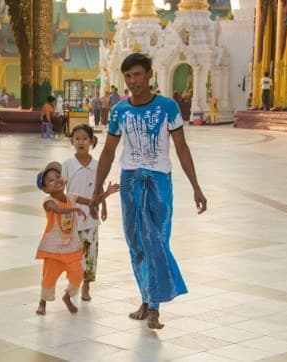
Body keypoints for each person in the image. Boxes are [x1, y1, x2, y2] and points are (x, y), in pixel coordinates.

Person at [89, 53, 207, 329]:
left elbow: (181, 148)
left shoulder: (167, 107)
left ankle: (154, 307)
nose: (133, 81)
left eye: (138, 75)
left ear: (150, 75)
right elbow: (108, 151)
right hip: (130, 182)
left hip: (159, 183)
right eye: (128, 76)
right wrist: (96, 190)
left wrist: (196, 187)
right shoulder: (119, 111)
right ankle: (146, 297)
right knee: (136, 244)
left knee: (157, 241)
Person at [35, 161, 118, 316]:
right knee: (49, 277)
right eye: (51, 180)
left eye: (58, 176)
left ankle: (67, 296)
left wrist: (105, 194)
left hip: (71, 247)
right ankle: (42, 302)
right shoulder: (48, 202)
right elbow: (58, 210)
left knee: (78, 273)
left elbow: (92, 202)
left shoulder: (72, 197)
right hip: (53, 248)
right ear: (45, 189)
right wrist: (74, 208)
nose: (57, 180)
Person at [62, 125, 106, 301]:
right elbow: (61, 189)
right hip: (72, 217)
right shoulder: (67, 165)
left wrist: (104, 206)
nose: (81, 142)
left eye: (84, 139)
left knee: (90, 254)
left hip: (91, 217)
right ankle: (73, 284)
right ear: (72, 141)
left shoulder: (97, 165)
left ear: (92, 141)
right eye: (77, 139)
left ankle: (86, 287)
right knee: (73, 254)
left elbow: (99, 186)